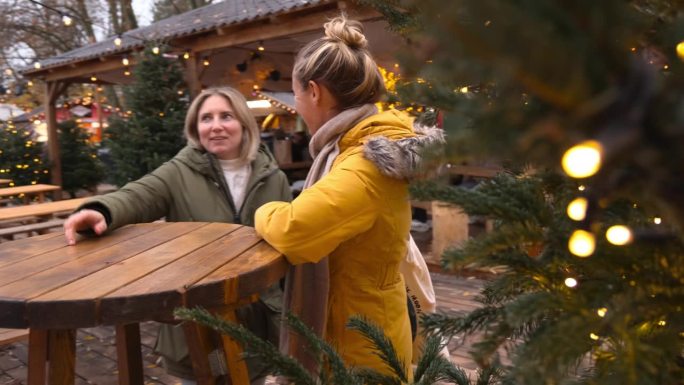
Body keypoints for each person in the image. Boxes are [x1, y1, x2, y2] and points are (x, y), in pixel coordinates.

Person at [254, 14, 442, 377]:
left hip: (363, 343)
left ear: (314, 91)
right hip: (364, 324)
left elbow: (294, 230)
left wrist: (265, 209)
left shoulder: (364, 164)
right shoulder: (359, 147)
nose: (298, 107)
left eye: (296, 97)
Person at [63, 86, 292, 385]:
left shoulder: (275, 178)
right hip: (198, 318)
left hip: (259, 318)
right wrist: (101, 210)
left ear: (245, 124)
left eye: (227, 116)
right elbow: (138, 195)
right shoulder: (179, 171)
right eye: (206, 118)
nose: (216, 125)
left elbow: (289, 249)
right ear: (195, 128)